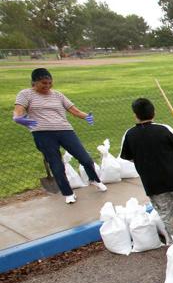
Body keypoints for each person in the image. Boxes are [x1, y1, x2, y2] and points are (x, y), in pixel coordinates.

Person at [13, 67, 106, 204]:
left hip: (65, 130)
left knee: (85, 158)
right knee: (56, 165)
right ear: (34, 83)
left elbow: (73, 110)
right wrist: (17, 118)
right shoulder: (25, 94)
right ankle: (68, 193)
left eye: (50, 83)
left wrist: (86, 116)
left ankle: (94, 179)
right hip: (43, 134)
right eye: (44, 83)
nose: (47, 86)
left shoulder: (57, 95)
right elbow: (18, 111)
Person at [119, 98, 173, 236]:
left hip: (152, 184)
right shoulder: (164, 129)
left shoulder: (129, 135)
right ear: (153, 113)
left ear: (135, 115)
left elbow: (129, 157)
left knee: (167, 215)